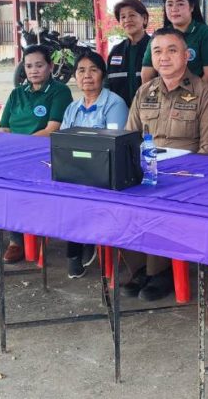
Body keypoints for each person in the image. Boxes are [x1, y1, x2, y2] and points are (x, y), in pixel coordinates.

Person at [124, 28, 208, 300]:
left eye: (172, 50)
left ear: (186, 55)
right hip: (146, 171)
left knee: (159, 200)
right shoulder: (144, 91)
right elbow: (128, 139)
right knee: (117, 198)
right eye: (157, 51)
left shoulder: (205, 94)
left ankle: (161, 271)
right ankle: (140, 268)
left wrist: (182, 176)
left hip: (185, 177)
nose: (164, 57)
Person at [0, 45, 74, 263]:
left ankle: (28, 236)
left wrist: (20, 146)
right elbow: (4, 127)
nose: (34, 71)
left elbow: (52, 130)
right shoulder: (17, 93)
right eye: (29, 66)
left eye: (39, 65)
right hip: (14, 154)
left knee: (22, 182)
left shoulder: (59, 92)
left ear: (50, 66)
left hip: (43, 156)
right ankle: (15, 239)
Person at [59, 51, 129, 277]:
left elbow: (113, 144)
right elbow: (62, 143)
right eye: (81, 70)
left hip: (105, 170)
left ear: (103, 75)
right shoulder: (73, 107)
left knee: (80, 192)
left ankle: (78, 248)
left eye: (93, 70)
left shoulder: (114, 104)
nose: (87, 75)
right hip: (76, 168)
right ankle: (79, 243)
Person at [140, 0, 208, 87]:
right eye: (169, 4)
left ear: (192, 7)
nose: (174, 9)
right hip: (163, 94)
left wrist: (191, 95)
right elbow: (147, 74)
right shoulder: (158, 36)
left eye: (180, 4)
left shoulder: (206, 34)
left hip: (196, 94)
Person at [106, 0, 150, 104]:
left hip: (149, 110)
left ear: (144, 18)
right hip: (120, 110)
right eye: (123, 17)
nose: (127, 20)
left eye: (132, 15)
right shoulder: (116, 51)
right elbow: (107, 85)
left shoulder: (155, 47)